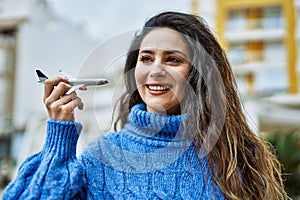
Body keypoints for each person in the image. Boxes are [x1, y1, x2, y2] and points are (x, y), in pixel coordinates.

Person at [3, 11, 287, 199]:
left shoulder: (234, 158)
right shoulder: (102, 158)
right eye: (146, 58)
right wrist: (59, 139)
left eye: (173, 59)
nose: (155, 71)